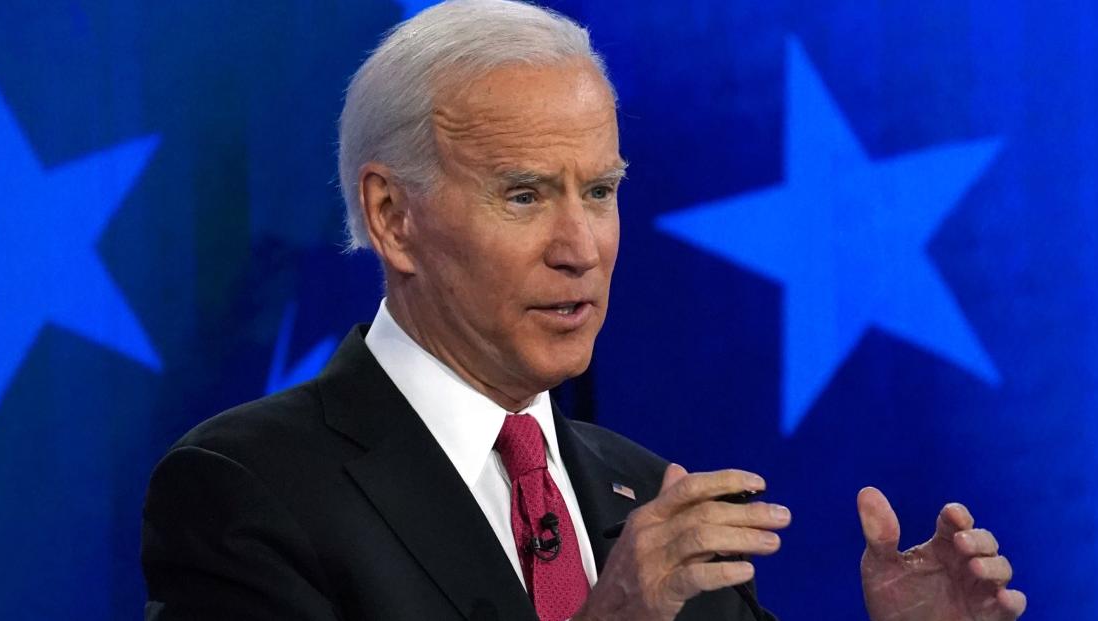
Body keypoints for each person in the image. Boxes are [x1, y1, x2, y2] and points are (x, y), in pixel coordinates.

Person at [140, 1, 1027, 619]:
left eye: (599, 190)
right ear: (392, 218)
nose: (582, 245)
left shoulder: (648, 498)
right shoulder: (250, 489)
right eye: (524, 195)